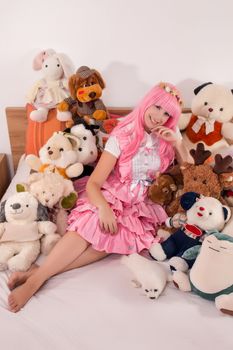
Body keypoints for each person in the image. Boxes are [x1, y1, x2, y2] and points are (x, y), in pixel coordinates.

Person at [7, 82, 191, 312]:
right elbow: (95, 183)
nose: (160, 117)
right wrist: (104, 208)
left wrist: (178, 143)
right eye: (157, 108)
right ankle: (35, 281)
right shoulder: (122, 135)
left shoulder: (167, 139)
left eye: (167, 114)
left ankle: (39, 272)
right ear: (147, 103)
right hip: (114, 193)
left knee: (111, 239)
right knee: (91, 223)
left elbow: (191, 173)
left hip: (142, 204)